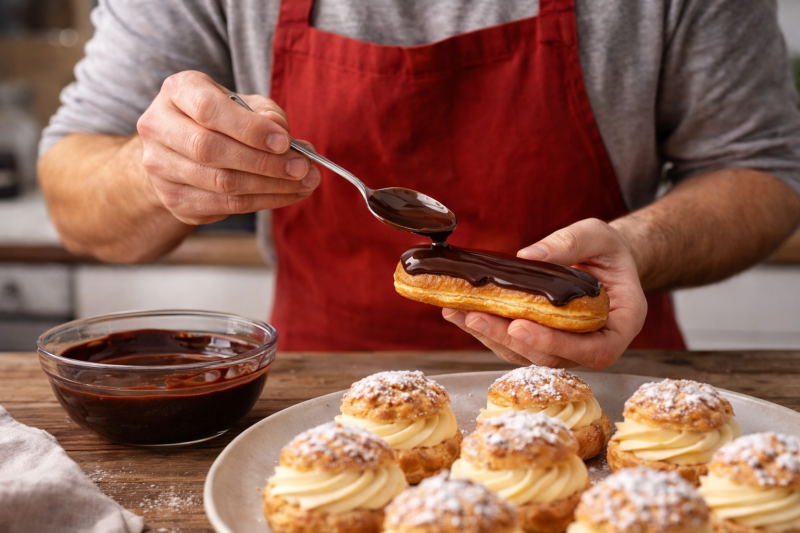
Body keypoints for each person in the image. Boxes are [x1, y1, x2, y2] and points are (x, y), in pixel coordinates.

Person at [38, 0, 800, 368]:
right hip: (317, 395)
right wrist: (159, 168)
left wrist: (639, 245)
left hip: (607, 380)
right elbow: (73, 194)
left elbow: (767, 171)